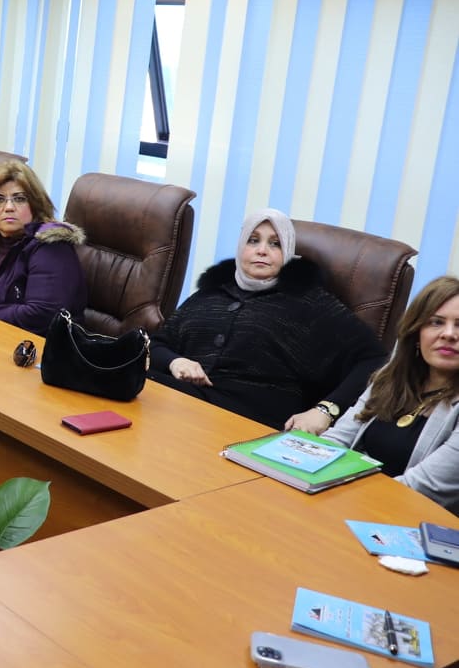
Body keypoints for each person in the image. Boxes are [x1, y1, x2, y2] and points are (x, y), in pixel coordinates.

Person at [148, 208, 386, 431]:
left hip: (249, 422)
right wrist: (175, 362)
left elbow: (374, 359)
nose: (262, 250)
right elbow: (156, 344)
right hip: (184, 408)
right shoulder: (212, 291)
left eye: (275, 243)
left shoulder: (309, 300)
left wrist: (326, 410)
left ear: (289, 252)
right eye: (253, 240)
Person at [323, 276, 459, 513]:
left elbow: (420, 488)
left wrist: (341, 497)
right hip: (350, 503)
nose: (449, 334)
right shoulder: (391, 377)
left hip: (407, 520)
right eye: (436, 322)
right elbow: (337, 440)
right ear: (416, 333)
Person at [0, 161, 86, 336]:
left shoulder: (52, 247)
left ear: (35, 204)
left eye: (19, 199)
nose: (9, 207)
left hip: (36, 346)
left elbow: (43, 314)